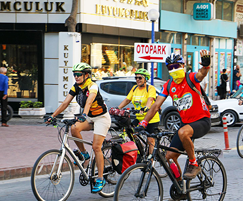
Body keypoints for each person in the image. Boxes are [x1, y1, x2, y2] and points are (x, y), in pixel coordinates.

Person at [136, 50, 211, 201]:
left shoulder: (191, 78)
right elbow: (156, 105)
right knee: (168, 157)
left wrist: (205, 64)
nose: (173, 70)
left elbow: (202, 74)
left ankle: (194, 163)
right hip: (186, 124)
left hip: (202, 121)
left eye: (176, 66)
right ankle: (181, 187)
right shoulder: (169, 85)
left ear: (183, 66)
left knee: (183, 132)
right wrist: (144, 122)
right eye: (170, 67)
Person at [46, 63, 111, 193]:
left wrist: (84, 114)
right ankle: (85, 155)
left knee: (96, 147)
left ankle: (100, 179)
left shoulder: (92, 86)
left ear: (86, 75)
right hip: (89, 118)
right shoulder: (76, 87)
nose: (76, 77)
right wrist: (52, 115)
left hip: (101, 118)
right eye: (74, 74)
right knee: (74, 128)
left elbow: (89, 101)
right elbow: (65, 102)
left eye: (78, 75)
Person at [116, 69, 159, 154]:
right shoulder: (134, 88)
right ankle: (140, 150)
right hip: (139, 118)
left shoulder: (150, 88)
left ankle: (150, 160)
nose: (137, 80)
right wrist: (117, 108)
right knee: (130, 131)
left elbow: (150, 99)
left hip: (151, 118)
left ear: (146, 78)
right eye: (136, 78)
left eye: (140, 77)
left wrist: (146, 107)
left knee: (150, 139)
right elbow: (127, 100)